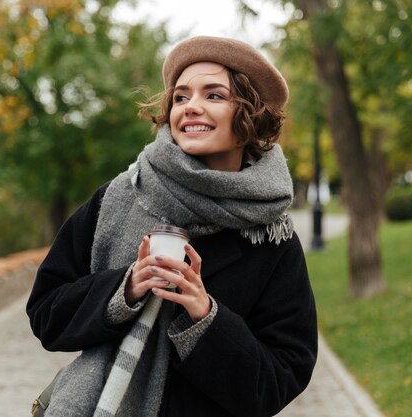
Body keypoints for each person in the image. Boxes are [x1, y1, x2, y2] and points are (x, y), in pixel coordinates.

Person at [27, 36, 317, 417]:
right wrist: (125, 289)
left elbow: (280, 379)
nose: (191, 107)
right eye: (181, 97)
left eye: (213, 96)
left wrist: (206, 317)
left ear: (250, 115)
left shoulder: (271, 237)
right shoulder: (119, 197)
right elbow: (46, 313)